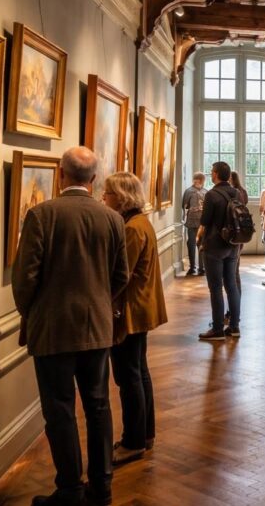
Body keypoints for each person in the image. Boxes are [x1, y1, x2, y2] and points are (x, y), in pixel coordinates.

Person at [11, 146, 129, 506]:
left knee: (59, 410)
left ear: (61, 174)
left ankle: (70, 490)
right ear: (93, 179)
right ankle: (102, 487)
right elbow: (121, 275)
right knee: (98, 407)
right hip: (97, 329)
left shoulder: (41, 214)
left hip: (53, 330)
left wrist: (34, 311)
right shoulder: (111, 218)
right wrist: (98, 301)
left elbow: (24, 280)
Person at [101, 172, 168, 465]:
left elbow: (121, 276)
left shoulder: (130, 229)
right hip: (141, 307)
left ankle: (133, 441)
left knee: (128, 377)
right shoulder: (141, 222)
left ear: (122, 197)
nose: (104, 198)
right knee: (139, 372)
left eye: (108, 193)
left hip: (129, 311)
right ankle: (145, 434)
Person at [196, 161, 241, 340]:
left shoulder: (212, 194)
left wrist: (199, 239)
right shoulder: (235, 192)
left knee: (215, 288)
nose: (211, 174)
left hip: (214, 246)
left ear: (215, 174)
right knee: (231, 285)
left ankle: (217, 329)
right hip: (232, 245)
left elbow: (205, 222)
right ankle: (235, 326)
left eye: (212, 172)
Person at [181, 172, 207, 276]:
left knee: (201, 245)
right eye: (196, 179)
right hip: (191, 221)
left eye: (199, 180)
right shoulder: (188, 191)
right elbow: (185, 206)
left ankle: (202, 268)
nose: (197, 181)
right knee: (191, 244)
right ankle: (192, 267)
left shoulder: (206, 192)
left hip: (202, 222)